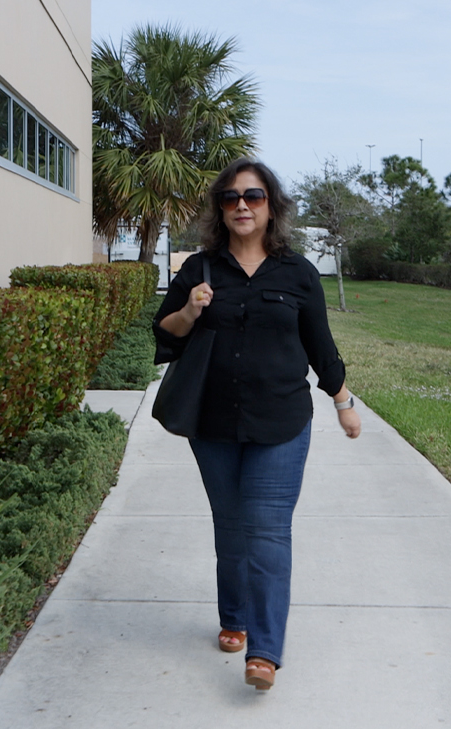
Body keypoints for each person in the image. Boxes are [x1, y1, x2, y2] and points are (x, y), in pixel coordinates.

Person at [152, 158, 361, 691]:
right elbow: (167, 334)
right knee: (230, 524)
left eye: (253, 196)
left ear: (272, 207)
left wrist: (342, 400)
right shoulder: (199, 269)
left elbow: (320, 345)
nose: (241, 205)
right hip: (213, 420)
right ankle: (234, 617)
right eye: (230, 198)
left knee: (267, 529)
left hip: (282, 421)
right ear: (220, 211)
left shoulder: (298, 273)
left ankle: (264, 652)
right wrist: (192, 311)